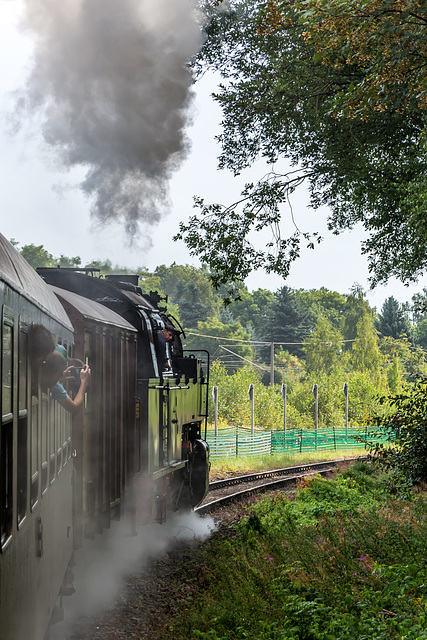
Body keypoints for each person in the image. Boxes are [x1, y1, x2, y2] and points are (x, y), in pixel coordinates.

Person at [40, 349, 91, 415]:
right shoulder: (56, 386)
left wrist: (59, 379)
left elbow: (45, 383)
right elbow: (74, 408)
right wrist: (84, 381)